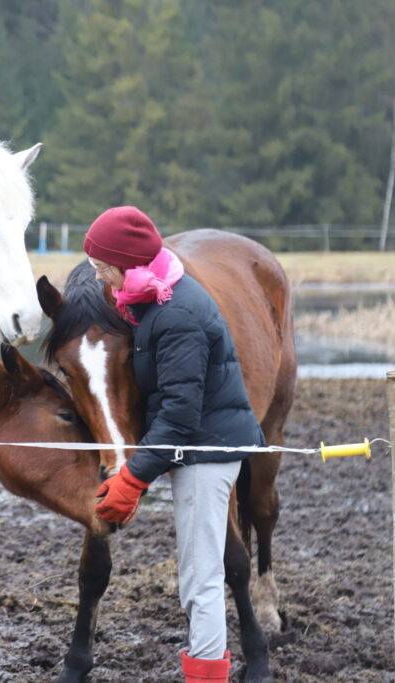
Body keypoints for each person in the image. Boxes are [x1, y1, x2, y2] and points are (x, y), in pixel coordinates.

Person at [84, 206, 265, 683]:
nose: (97, 273)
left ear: (127, 262)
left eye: (102, 264)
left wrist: (132, 477)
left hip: (207, 452)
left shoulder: (177, 313)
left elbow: (181, 416)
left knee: (201, 579)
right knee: (196, 576)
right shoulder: (150, 301)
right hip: (197, 446)